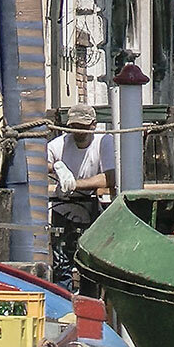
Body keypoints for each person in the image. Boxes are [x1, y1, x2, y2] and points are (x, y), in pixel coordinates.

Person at [47, 104, 115, 294]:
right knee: (62, 265)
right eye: (74, 126)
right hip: (63, 207)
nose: (78, 131)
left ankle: (89, 302)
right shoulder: (59, 144)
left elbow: (109, 177)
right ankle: (64, 304)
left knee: (90, 262)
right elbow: (38, 161)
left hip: (91, 205)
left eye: (83, 126)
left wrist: (76, 184)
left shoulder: (103, 142)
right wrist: (57, 168)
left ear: (93, 125)